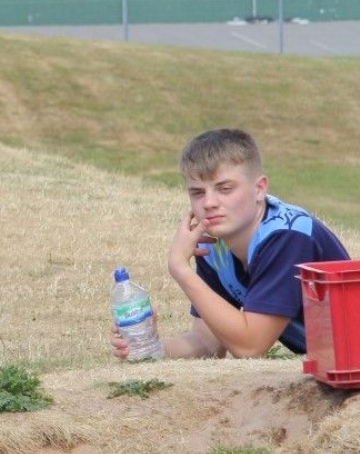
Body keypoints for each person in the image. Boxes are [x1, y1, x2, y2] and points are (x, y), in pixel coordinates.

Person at [112, 128, 351, 360]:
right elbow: (207, 342)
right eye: (197, 193)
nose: (209, 203)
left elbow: (250, 346)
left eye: (224, 189)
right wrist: (151, 346)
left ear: (259, 189)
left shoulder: (287, 236)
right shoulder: (214, 247)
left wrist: (180, 268)